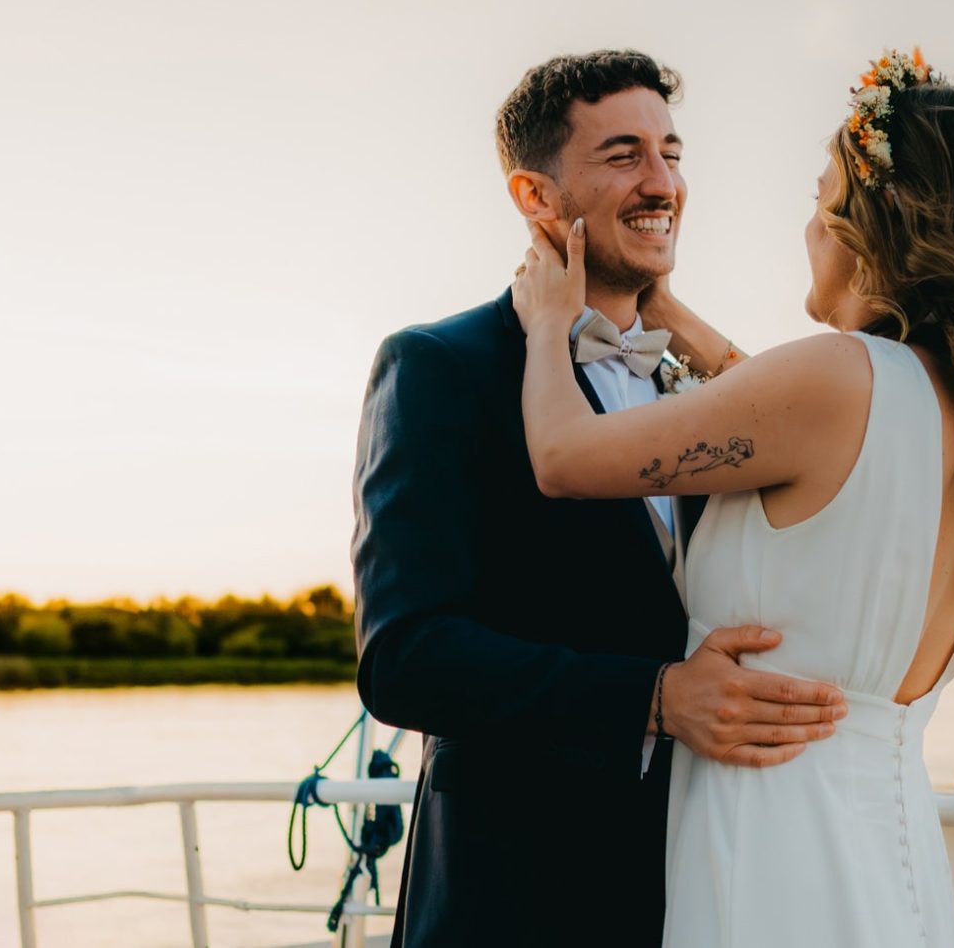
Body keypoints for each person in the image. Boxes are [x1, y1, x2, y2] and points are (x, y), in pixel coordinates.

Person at [511, 49, 954, 946]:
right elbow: (786, 417)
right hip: (890, 848)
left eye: (821, 201)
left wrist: (549, 323)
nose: (808, 229)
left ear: (871, 225)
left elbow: (561, 456)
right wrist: (673, 316)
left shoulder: (834, 380)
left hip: (775, 843)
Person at [351, 49, 847, 947]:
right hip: (511, 901)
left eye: (672, 153)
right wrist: (656, 697)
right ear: (535, 196)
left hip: (695, 890)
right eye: (624, 155)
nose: (663, 183)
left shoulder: (705, 387)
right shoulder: (440, 367)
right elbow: (405, 658)